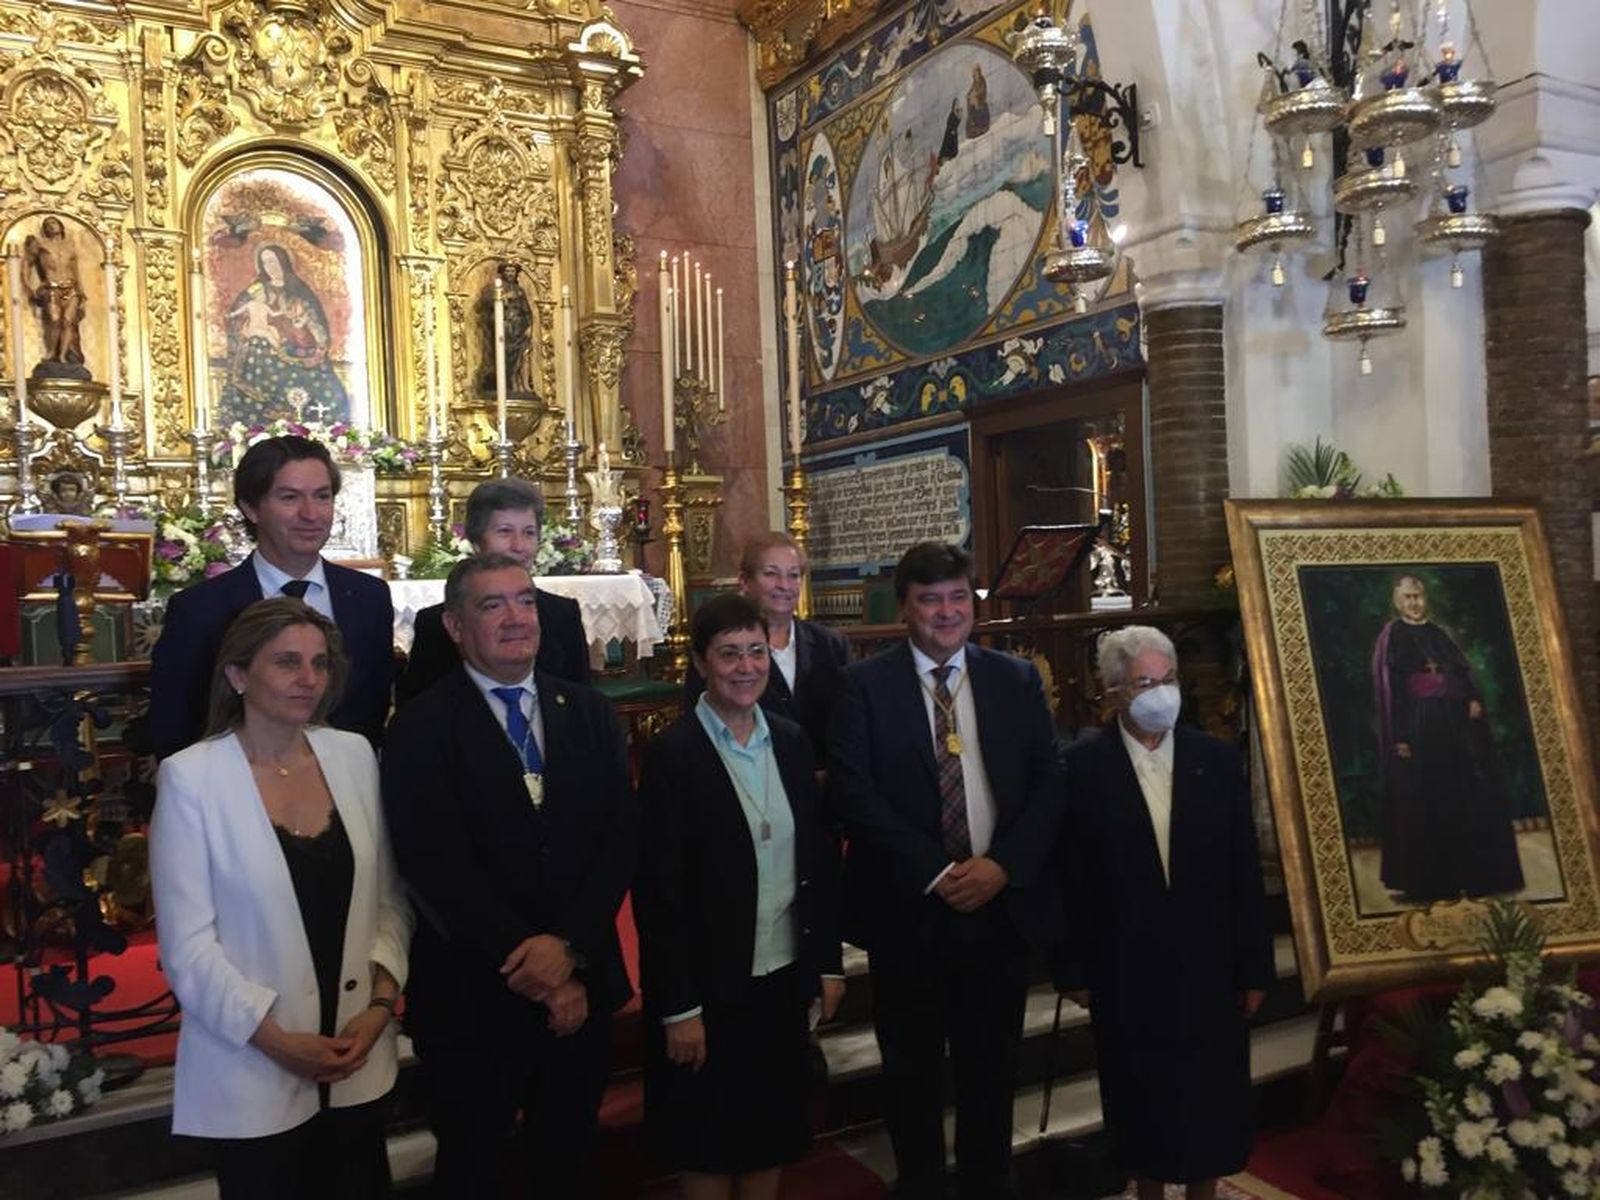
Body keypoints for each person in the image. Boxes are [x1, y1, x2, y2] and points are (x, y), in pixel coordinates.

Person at [382, 554, 637, 1196]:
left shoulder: (587, 711)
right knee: (473, 1168)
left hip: (581, 986)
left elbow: (618, 840)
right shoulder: (420, 726)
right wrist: (535, 966)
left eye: (525, 601)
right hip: (474, 996)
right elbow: (434, 863)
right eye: (492, 605)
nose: (516, 617)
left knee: (569, 1163)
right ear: (455, 626)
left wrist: (569, 948)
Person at [149, 599, 411, 1199]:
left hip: (356, 1054)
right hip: (253, 1066)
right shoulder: (192, 778)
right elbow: (188, 948)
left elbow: (390, 901)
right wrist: (275, 1040)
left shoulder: (353, 756)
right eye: (287, 662)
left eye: (320, 663)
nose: (308, 679)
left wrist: (379, 1007)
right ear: (238, 675)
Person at [829, 541, 1064, 1200]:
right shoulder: (863, 686)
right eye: (929, 600)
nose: (946, 612)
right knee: (912, 1072)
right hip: (909, 909)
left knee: (992, 1067)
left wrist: (1002, 866)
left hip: (998, 905)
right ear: (904, 607)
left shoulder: (1014, 679)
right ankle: (923, 1186)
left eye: (958, 597)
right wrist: (936, 871)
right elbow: (853, 791)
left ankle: (989, 1184)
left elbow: (1050, 780)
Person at [636, 594, 845, 1200]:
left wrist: (826, 962)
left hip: (780, 979)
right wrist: (678, 1007)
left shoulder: (792, 742)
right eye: (729, 654)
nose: (746, 666)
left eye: (756, 651)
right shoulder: (673, 755)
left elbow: (818, 861)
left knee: (769, 1133)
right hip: (708, 987)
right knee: (708, 1141)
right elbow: (659, 892)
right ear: (702, 663)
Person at [1054, 626, 1271, 1200]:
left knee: (1211, 1097)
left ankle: (1204, 1191)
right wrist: (1072, 968)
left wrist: (1254, 966)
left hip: (1210, 962)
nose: (1160, 692)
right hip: (1127, 964)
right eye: (1144, 682)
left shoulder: (1215, 760)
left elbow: (1243, 869)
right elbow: (1069, 876)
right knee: (1141, 1095)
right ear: (1115, 693)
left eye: (1167, 679)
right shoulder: (1081, 769)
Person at [148, 436, 394, 760]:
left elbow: (373, 712)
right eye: (290, 497)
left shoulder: (369, 597)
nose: (311, 514)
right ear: (251, 508)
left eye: (322, 496)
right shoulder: (200, 610)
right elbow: (173, 729)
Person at [1373, 574, 1523, 901]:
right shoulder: (1393, 636)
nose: (1414, 602)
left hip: (1455, 728)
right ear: (1397, 601)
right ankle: (1432, 883)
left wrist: (1472, 698)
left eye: (1418, 596)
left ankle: (1470, 875)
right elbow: (1393, 691)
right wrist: (1401, 737)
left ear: (1425, 598)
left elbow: (1462, 672)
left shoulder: (1439, 633)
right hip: (1419, 727)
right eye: (1407, 597)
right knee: (1428, 801)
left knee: (1464, 796)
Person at [394, 477, 591, 706]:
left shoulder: (563, 614)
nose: (519, 546)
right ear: (477, 541)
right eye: (505, 531)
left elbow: (581, 704)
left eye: (529, 533)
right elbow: (418, 710)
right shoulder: (436, 624)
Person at [683, 533, 850, 762]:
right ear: (745, 581)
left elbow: (848, 718)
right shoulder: (720, 647)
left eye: (793, 575)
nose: (784, 585)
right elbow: (698, 718)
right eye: (771, 574)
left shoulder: (830, 644)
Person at [220, 243, 350, 425]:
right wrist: (245, 328)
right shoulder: (256, 290)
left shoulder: (299, 291)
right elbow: (238, 318)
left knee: (324, 387)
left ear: (283, 262)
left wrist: (314, 341)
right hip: (263, 354)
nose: (269, 266)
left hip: (297, 350)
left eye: (273, 261)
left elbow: (314, 322)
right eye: (265, 262)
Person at [23, 216, 87, 370]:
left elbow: (75, 271)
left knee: (68, 321)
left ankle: (63, 356)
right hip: (51, 288)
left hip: (71, 288)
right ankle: (52, 352)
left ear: (61, 226)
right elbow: (27, 264)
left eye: (54, 223)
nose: (52, 226)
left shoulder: (70, 245)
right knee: (55, 319)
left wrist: (82, 293)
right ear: (45, 229)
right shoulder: (41, 244)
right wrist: (28, 286)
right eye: (48, 224)